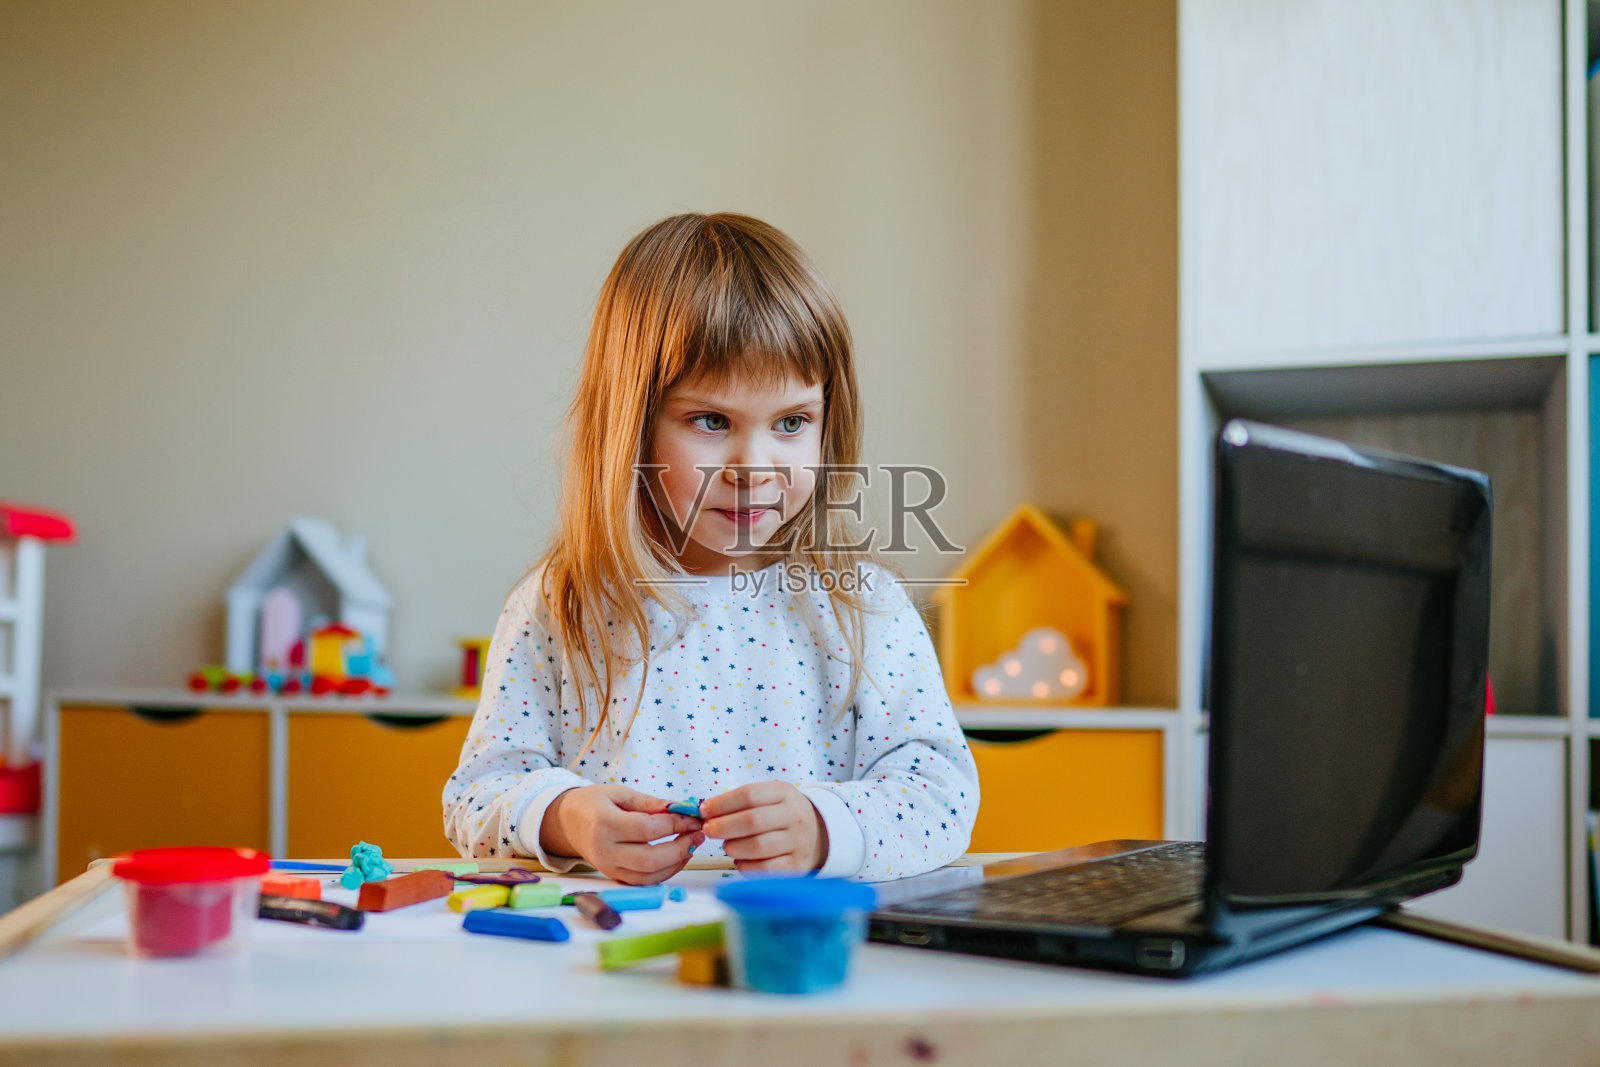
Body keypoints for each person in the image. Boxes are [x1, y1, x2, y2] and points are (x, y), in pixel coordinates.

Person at [442, 212, 979, 884]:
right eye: (710, 420)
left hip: (804, 965)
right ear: (632, 426)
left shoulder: (863, 607)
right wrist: (567, 816)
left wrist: (824, 828)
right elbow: (476, 793)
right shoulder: (563, 604)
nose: (754, 465)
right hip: (603, 965)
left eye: (791, 422)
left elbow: (942, 794)